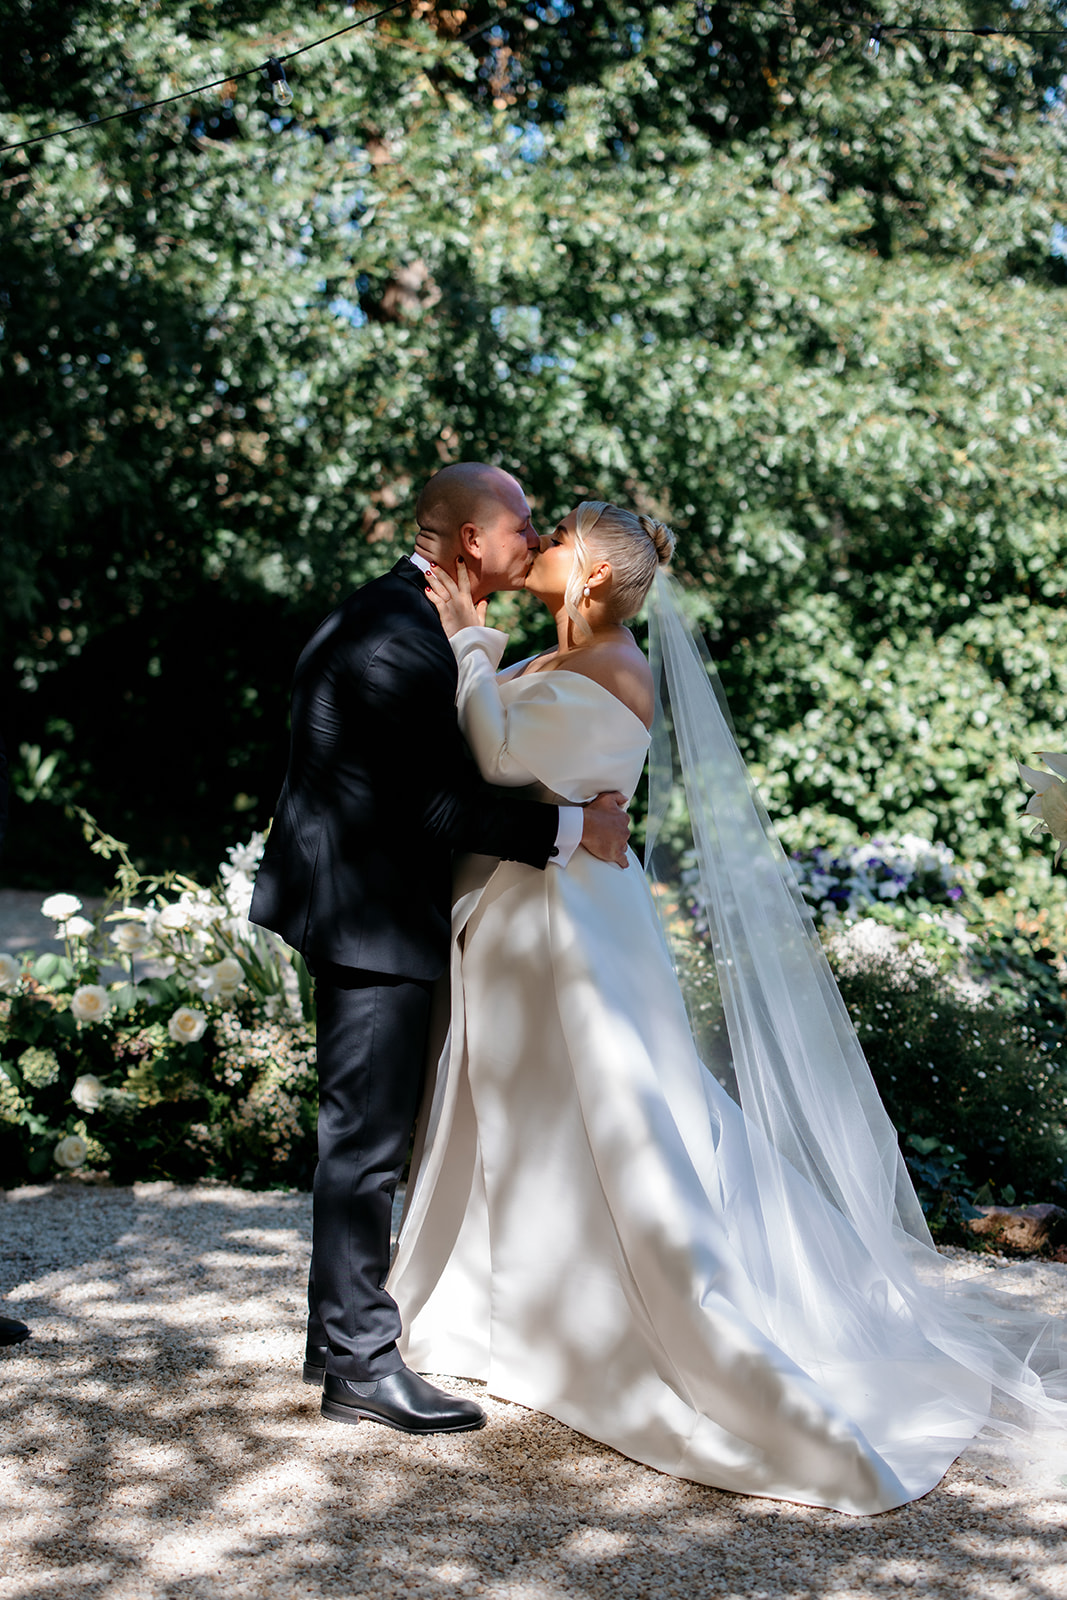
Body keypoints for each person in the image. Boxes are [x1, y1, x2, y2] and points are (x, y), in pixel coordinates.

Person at [387, 500, 1067, 1514]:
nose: (541, 542)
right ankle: (506, 1309)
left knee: (613, 1114)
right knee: (528, 1111)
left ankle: (643, 1321)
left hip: (571, 929)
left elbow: (494, 757)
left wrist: (466, 640)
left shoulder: (614, 668)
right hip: (528, 916)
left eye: (559, 534)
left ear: (590, 575)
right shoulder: (564, 655)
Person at [249, 464, 630, 1436]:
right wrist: (574, 827)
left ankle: (338, 1341)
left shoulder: (401, 613)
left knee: (365, 1137)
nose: (532, 539)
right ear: (471, 540)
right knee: (365, 1144)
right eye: (522, 525)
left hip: (365, 902)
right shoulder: (396, 640)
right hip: (369, 916)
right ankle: (361, 1367)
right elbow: (434, 806)